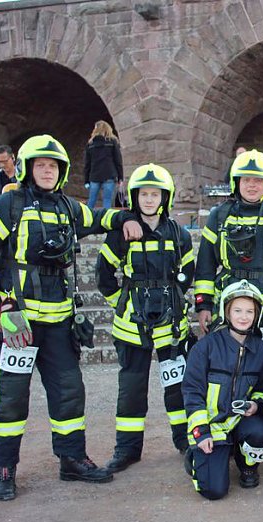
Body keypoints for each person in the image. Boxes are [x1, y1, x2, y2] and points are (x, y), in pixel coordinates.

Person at [0, 134, 142, 500]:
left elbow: (99, 217)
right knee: (12, 399)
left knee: (69, 394)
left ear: (61, 172)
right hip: (18, 322)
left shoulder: (67, 207)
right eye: (41, 165)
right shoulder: (7, 205)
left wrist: (126, 217)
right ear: (29, 168)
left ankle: (72, 459)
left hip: (59, 323)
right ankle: (4, 468)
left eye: (54, 166)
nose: (47, 171)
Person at [96, 163, 195, 472]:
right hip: (132, 327)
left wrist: (174, 296)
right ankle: (127, 449)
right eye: (144, 194)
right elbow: (104, 275)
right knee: (132, 388)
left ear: (165, 197)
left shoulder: (179, 233)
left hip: (171, 326)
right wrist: (122, 303)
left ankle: (184, 442)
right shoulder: (121, 233)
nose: (149, 200)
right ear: (134, 197)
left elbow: (188, 271)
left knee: (177, 385)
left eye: (155, 194)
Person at [194, 149, 263, 364]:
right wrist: (204, 305)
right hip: (231, 305)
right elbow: (205, 265)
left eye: (258, 180)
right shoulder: (220, 216)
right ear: (237, 182)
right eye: (246, 180)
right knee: (230, 363)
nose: (252, 185)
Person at [182, 280, 263, 499]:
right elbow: (192, 393)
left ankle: (248, 466)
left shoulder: (261, 349)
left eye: (250, 311)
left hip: (241, 421)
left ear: (257, 315)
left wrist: (256, 404)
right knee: (213, 491)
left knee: (261, 433)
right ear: (227, 312)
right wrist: (201, 432)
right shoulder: (205, 347)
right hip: (211, 426)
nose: (244, 317)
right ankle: (196, 458)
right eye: (238, 310)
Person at [83, 120, 123, 209]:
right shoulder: (112, 142)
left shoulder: (90, 144)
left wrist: (86, 180)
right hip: (109, 175)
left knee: (92, 200)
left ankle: (86, 219)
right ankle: (105, 221)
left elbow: (87, 164)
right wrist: (120, 177)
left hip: (94, 176)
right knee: (107, 201)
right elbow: (118, 161)